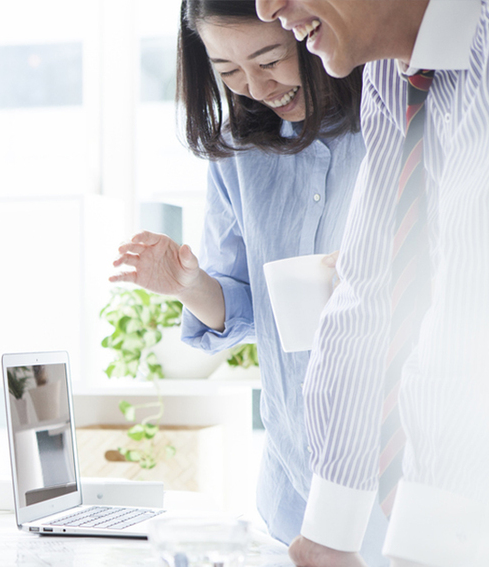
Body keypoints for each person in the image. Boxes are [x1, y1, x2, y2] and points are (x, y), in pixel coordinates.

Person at [109, 1, 388, 563]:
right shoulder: (240, 151)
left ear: (309, 26)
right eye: (229, 72)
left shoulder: (396, 123)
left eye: (270, 60)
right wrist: (190, 284)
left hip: (399, 476)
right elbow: (244, 305)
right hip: (295, 485)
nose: (257, 88)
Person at [253, 0, 489, 566]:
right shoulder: (391, 73)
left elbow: (467, 307)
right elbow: (367, 287)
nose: (266, 7)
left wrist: (423, 545)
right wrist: (327, 536)